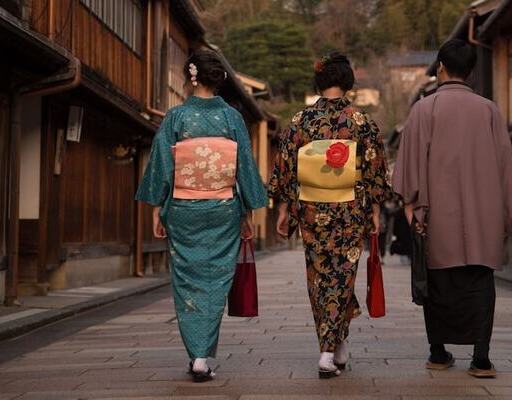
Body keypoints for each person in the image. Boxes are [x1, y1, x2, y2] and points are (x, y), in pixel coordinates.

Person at [392, 39, 512, 378]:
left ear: (440, 67)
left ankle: (438, 352)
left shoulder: (424, 109)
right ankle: (481, 358)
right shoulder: (489, 110)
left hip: (437, 218)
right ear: (470, 71)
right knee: (480, 283)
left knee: (436, 285)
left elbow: (408, 166)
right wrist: (504, 212)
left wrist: (410, 207)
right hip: (482, 219)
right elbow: (505, 168)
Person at [135, 48, 268, 383]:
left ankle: (196, 354)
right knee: (216, 281)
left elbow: (163, 166)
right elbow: (244, 167)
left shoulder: (176, 118)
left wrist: (156, 210)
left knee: (187, 280)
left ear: (190, 76)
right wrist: (248, 212)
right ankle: (202, 358)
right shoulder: (232, 119)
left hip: (182, 208)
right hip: (224, 208)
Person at [269, 51, 390, 379]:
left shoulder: (300, 121)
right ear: (348, 83)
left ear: (320, 81)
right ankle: (327, 351)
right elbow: (374, 169)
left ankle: (335, 344)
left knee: (320, 276)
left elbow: (286, 169)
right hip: (349, 210)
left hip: (312, 210)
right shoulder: (361, 122)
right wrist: (375, 208)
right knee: (343, 275)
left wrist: (283, 208)